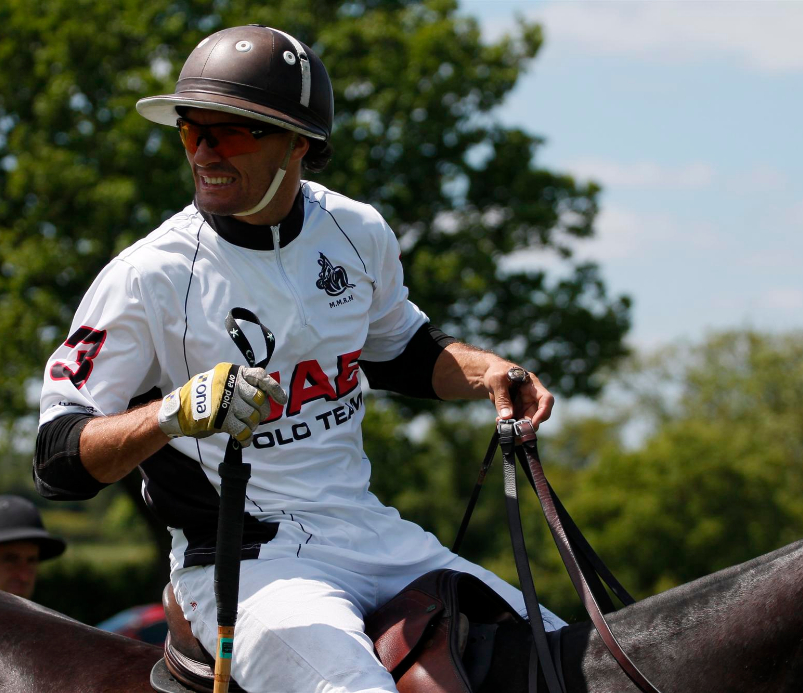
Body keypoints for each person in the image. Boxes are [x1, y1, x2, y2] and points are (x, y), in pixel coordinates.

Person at [33, 24, 564, 692]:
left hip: (371, 529)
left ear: (301, 144)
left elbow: (403, 352)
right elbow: (58, 456)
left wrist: (489, 371)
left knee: (567, 657)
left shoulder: (358, 230)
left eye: (229, 130)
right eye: (189, 129)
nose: (202, 149)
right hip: (249, 564)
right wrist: (171, 414)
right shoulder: (148, 276)